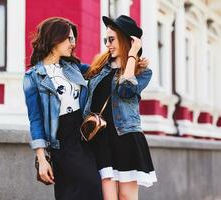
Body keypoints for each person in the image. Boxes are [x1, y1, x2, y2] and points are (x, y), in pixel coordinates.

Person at [23, 17, 103, 200]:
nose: (73, 44)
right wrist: (42, 160)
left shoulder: (73, 67)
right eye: (69, 39)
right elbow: (35, 120)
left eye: (74, 39)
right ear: (54, 39)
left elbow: (101, 71)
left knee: (91, 191)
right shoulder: (33, 77)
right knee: (86, 189)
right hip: (62, 142)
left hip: (85, 136)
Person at [83, 15, 157, 200]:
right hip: (100, 139)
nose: (107, 44)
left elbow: (126, 90)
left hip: (125, 139)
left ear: (127, 40)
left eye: (111, 39)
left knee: (126, 197)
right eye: (105, 40)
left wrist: (132, 54)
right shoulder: (99, 68)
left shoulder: (143, 72)